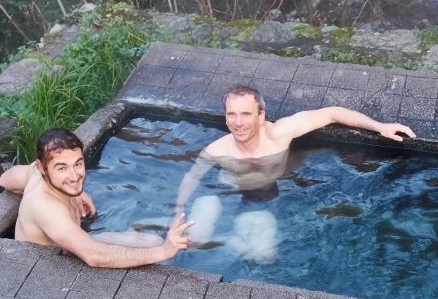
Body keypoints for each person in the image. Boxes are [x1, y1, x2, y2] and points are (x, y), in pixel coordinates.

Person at [174, 84, 417, 218]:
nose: (238, 122)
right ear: (225, 118)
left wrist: (380, 126)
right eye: (232, 114)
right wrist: (179, 209)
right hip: (236, 189)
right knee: (202, 226)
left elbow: (331, 113)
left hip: (281, 185)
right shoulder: (216, 151)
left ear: (261, 116)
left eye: (246, 114)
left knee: (263, 254)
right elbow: (191, 177)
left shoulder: (280, 133)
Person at [0, 128, 194, 268]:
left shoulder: (35, 173)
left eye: (77, 164)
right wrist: (165, 251)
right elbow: (94, 256)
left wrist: (74, 190)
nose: (74, 176)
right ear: (42, 167)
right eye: (61, 168)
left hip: (70, 244)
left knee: (151, 241)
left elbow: (5, 179)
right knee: (158, 251)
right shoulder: (45, 207)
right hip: (48, 270)